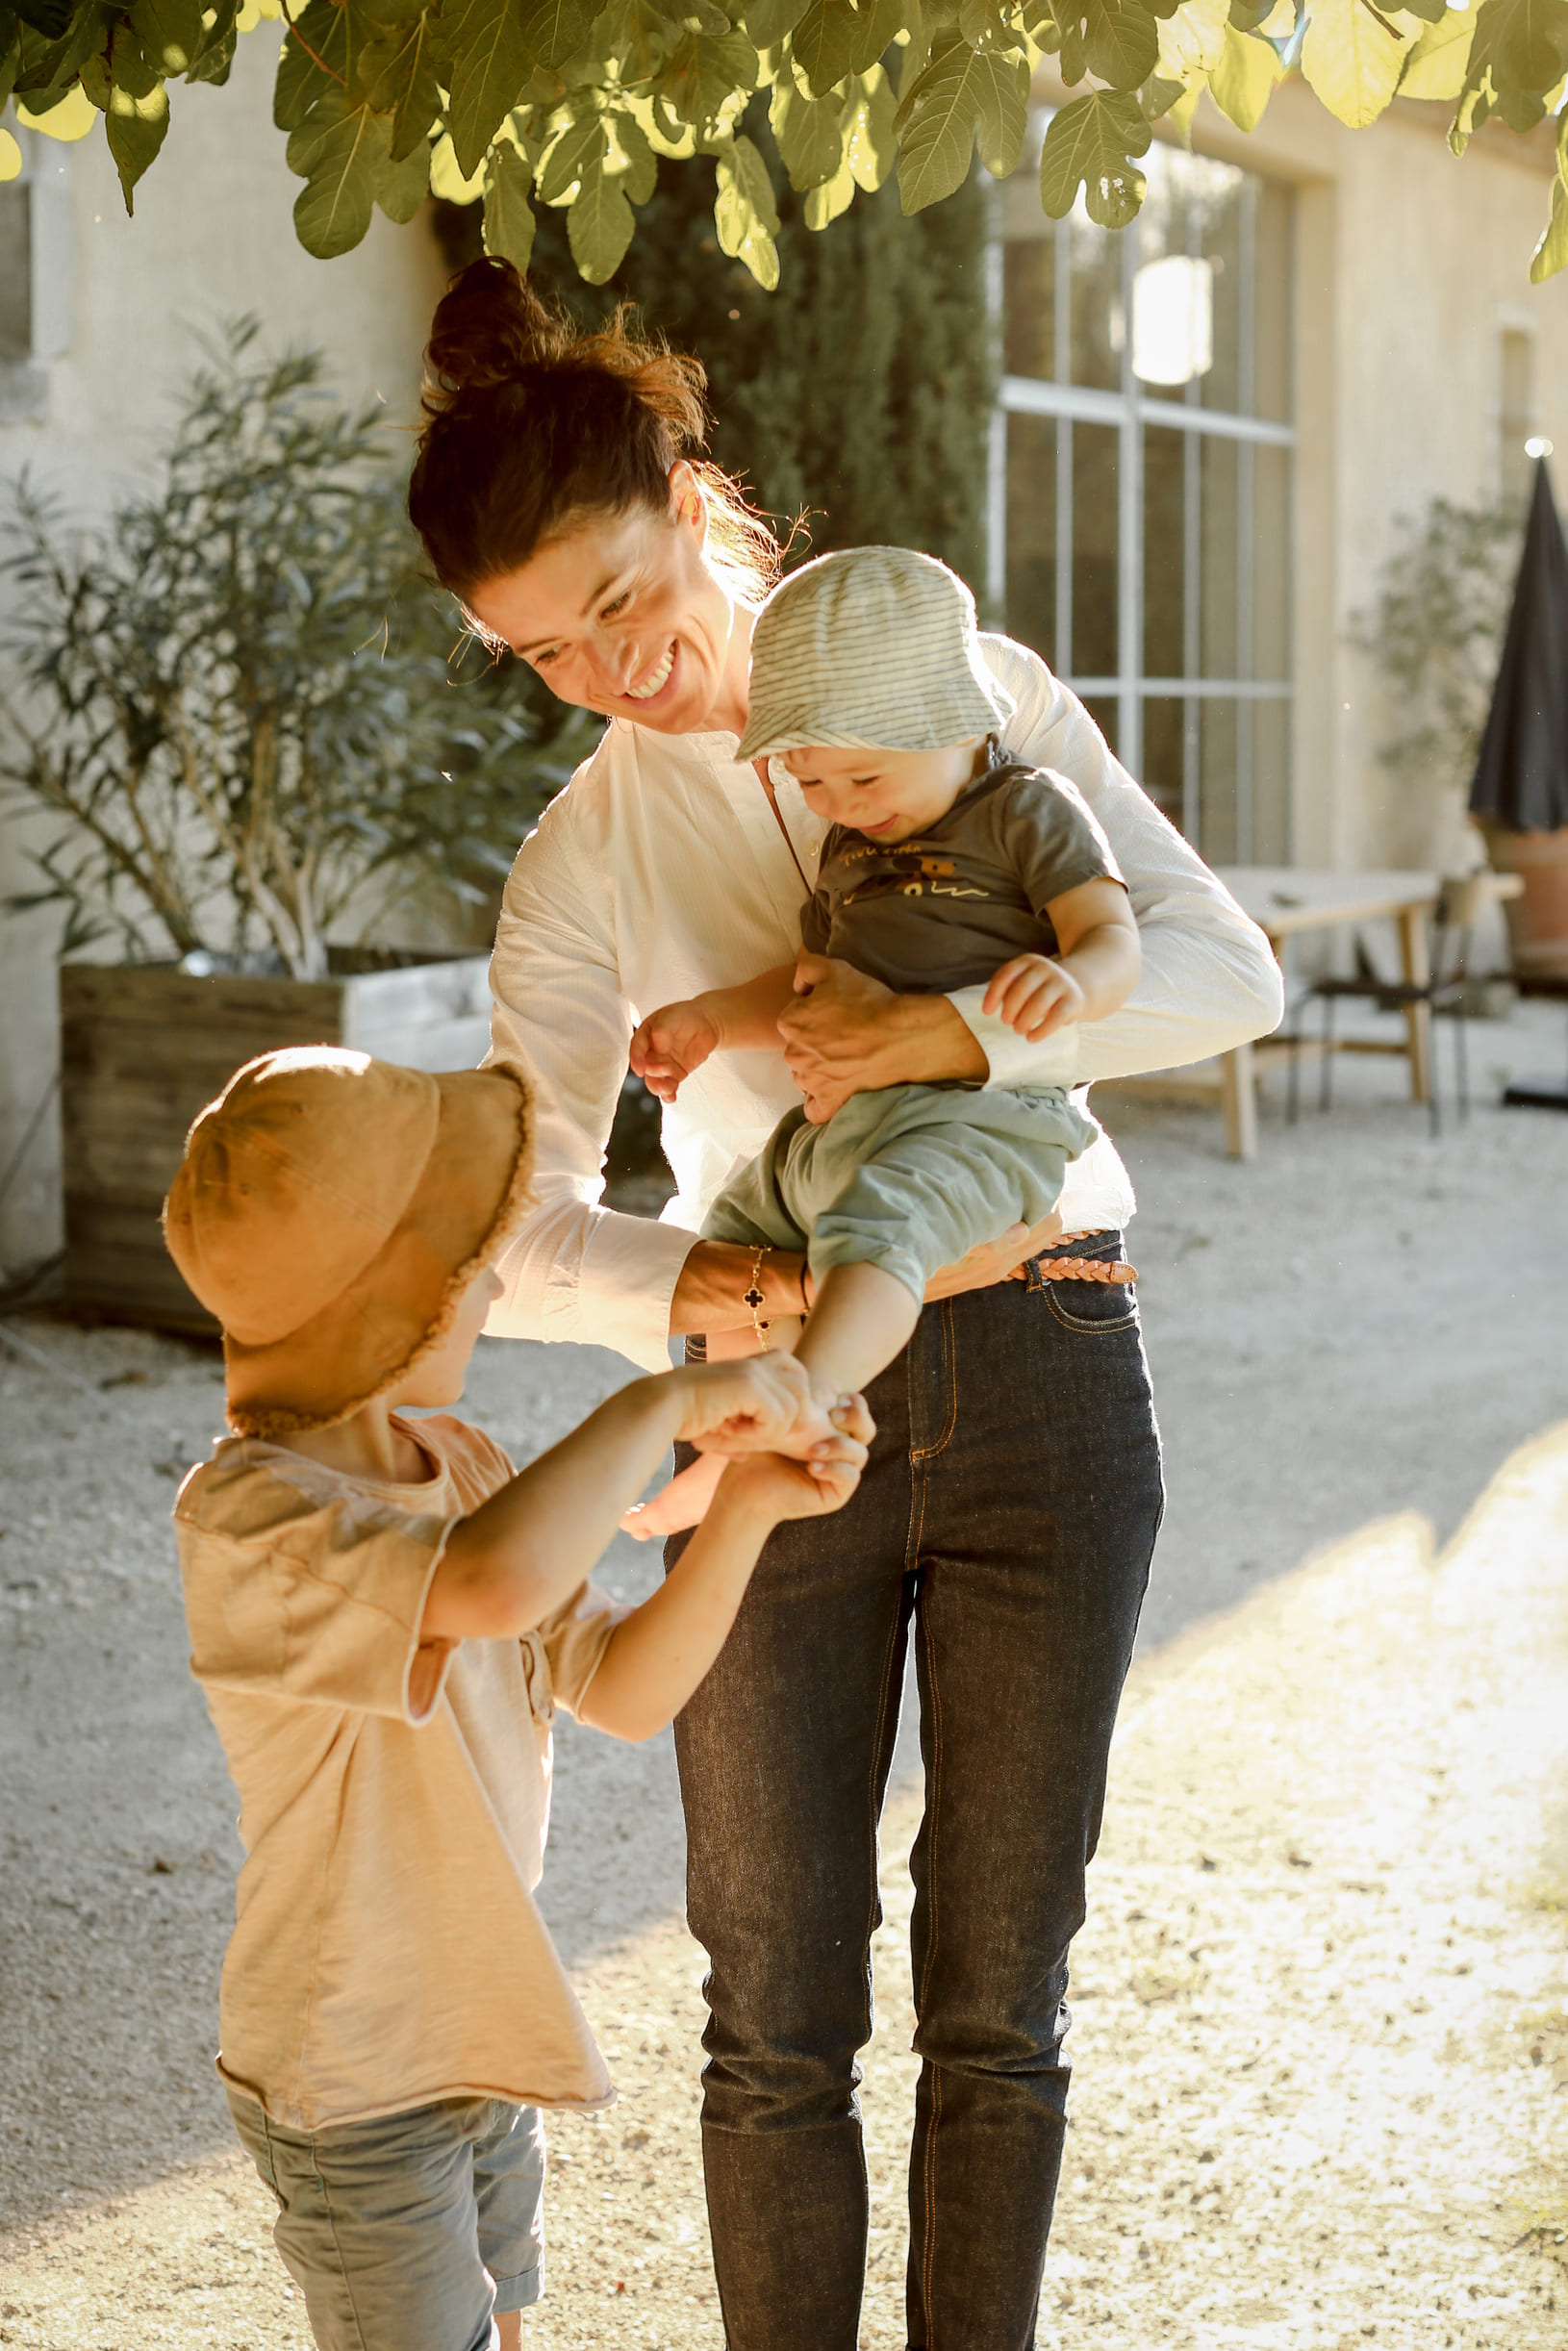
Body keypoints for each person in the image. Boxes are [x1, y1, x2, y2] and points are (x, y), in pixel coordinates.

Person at [406, 257, 1283, 2350]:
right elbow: (519, 1233)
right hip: (764, 1413)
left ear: (688, 496)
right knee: (771, 2007)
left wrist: (952, 1035)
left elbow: (1221, 972)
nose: (609, 671)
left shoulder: (961, 685)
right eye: (542, 654)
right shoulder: (580, 864)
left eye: (620, 600)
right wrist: (720, 1282)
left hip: (1049, 1357)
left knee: (1001, 2001)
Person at [162, 1044, 871, 2351]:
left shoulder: (464, 1464)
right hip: (353, 2071)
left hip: (480, 2032)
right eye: (471, 1264)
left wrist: (748, 1506)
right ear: (392, 1295)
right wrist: (664, 1401)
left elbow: (620, 1688)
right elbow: (487, 1586)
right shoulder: (252, 1521)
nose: (494, 1288)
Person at [624, 543, 1142, 1539]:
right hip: (838, 1128)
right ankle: (726, 1444)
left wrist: (1074, 979)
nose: (840, 805)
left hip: (976, 1122)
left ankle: (802, 1405)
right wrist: (713, 1018)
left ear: (952, 720)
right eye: (812, 781)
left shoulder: (1025, 809)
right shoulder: (851, 845)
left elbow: (1114, 939)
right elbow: (806, 982)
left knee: (883, 1225)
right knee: (730, 1245)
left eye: (862, 775)